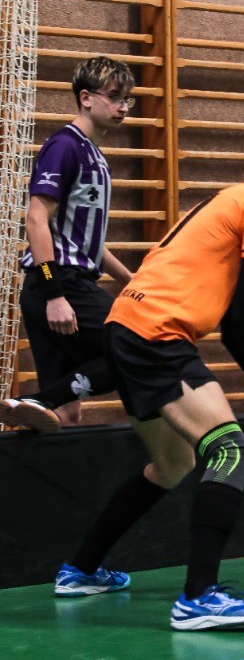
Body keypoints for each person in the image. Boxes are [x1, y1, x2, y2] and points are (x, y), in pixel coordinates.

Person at [54, 108, 244, 631]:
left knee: (172, 464)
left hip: (125, 327)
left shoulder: (231, 199)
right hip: (155, 335)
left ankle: (79, 570)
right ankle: (198, 597)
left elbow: (233, 325)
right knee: (231, 449)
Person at [0, 56, 135, 434]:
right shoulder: (64, 146)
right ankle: (38, 400)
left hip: (62, 285)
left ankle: (37, 407)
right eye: (114, 97)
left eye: (127, 99)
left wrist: (133, 281)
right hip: (60, 286)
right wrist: (55, 294)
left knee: (66, 418)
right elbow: (35, 220)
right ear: (86, 98)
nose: (123, 107)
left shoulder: (96, 158)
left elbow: (90, 243)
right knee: (134, 348)